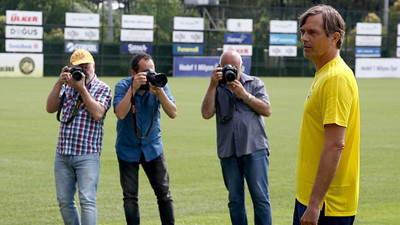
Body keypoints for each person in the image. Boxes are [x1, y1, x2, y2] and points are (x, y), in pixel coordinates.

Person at [293, 5, 360, 225]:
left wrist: (314, 205)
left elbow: (335, 145)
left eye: (313, 33)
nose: (304, 38)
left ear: (335, 37)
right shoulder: (324, 74)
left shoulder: (335, 78)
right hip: (313, 198)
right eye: (303, 32)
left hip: (326, 206)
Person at [201, 50, 272, 225]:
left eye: (234, 67)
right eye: (226, 67)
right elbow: (206, 113)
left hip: (254, 148)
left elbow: (267, 110)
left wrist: (244, 95)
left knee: (260, 198)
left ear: (242, 66)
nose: (231, 71)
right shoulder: (216, 87)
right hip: (228, 150)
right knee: (235, 200)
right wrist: (212, 86)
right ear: (219, 67)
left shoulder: (255, 83)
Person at [46, 49, 112, 225]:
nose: (83, 71)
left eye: (86, 66)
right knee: (64, 201)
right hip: (63, 152)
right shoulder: (67, 86)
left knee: (87, 200)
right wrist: (59, 83)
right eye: (78, 67)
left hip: (87, 153)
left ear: (93, 65)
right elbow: (50, 108)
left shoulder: (103, 88)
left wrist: (82, 89)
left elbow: (98, 114)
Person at [113, 53, 177, 225]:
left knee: (164, 194)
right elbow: (120, 113)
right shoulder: (122, 85)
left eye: (153, 71)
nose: (151, 75)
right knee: (130, 197)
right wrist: (132, 89)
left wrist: (160, 93)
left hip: (153, 148)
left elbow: (173, 113)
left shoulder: (159, 85)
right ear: (134, 73)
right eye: (146, 72)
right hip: (127, 149)